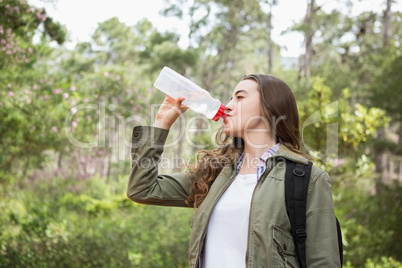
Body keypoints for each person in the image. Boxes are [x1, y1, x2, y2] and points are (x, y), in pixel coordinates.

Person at [127, 74, 341, 267]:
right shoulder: (213, 173)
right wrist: (161, 123)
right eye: (230, 98)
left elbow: (323, 262)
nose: (228, 105)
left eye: (239, 97)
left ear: (270, 106)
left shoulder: (307, 179)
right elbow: (142, 189)